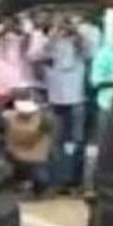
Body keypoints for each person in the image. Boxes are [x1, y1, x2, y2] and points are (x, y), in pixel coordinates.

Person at [43, 14, 92, 193]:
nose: (65, 26)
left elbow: (87, 52)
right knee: (55, 142)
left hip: (76, 97)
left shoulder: (82, 39)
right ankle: (56, 181)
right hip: (56, 98)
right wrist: (55, 33)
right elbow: (43, 54)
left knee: (77, 141)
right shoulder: (52, 40)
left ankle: (75, 183)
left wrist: (75, 33)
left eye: (67, 22)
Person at [0, 88, 57, 198]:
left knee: (39, 175)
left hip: (30, 158)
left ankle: (36, 188)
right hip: (22, 158)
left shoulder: (7, 116)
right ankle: (32, 187)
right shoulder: (8, 117)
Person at [0, 15, 39, 100]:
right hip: (3, 62)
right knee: (0, 94)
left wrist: (26, 36)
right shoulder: (0, 30)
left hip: (16, 63)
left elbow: (25, 49)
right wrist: (3, 31)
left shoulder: (23, 30)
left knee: (15, 93)